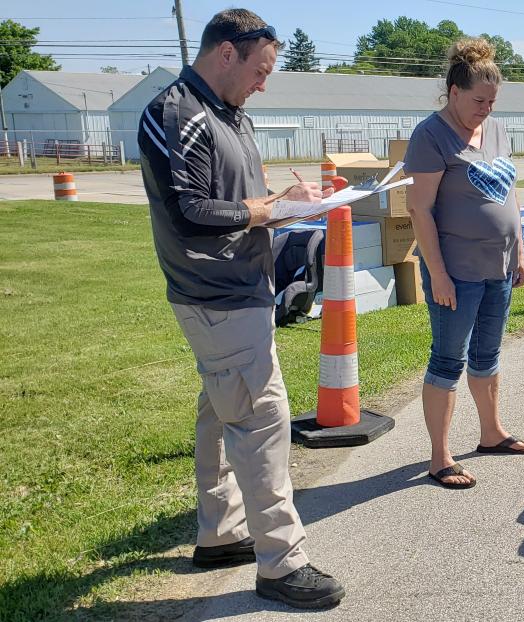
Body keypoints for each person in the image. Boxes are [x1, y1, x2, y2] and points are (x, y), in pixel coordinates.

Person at [137, 8, 344, 610]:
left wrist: (283, 204)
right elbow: (190, 212)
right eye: (260, 69)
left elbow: (235, 201)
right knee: (261, 420)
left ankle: (219, 532)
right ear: (225, 52)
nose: (264, 81)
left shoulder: (228, 114)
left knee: (220, 405)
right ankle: (281, 562)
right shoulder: (177, 114)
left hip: (237, 291)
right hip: (216, 294)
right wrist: (268, 209)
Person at [403, 38, 524, 490]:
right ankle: (440, 457)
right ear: (453, 91)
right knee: (447, 360)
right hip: (455, 271)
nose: (485, 108)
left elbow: (509, 191)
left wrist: (518, 250)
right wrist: (437, 274)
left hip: (498, 265)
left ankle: (491, 433)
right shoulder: (430, 136)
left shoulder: (495, 130)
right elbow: (419, 209)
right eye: (478, 100)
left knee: (487, 355)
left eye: (492, 101)